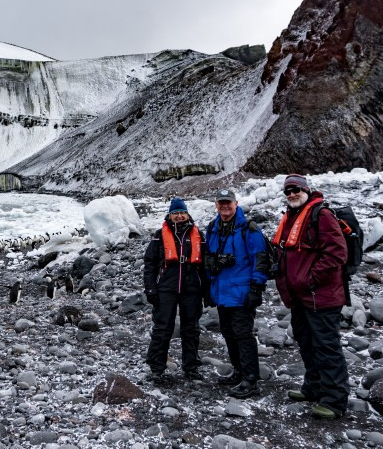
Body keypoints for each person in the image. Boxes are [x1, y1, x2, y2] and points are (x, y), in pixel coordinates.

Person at [272, 174, 349, 419]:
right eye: (287, 191)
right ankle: (313, 387)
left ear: (306, 189)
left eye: (295, 189)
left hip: (320, 296)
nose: (292, 194)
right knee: (306, 343)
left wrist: (311, 278)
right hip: (300, 297)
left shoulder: (321, 215)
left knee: (327, 346)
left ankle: (335, 401)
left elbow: (337, 252)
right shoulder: (291, 216)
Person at [204, 188, 269, 399]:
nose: (225, 206)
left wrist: (256, 288)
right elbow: (209, 258)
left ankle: (251, 379)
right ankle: (239, 371)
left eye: (228, 202)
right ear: (216, 204)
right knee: (228, 332)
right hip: (222, 292)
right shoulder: (213, 228)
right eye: (221, 202)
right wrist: (209, 285)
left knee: (243, 334)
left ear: (236, 203)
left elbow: (260, 259)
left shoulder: (248, 228)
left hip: (241, 292)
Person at [143, 197, 208, 382]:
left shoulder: (198, 235)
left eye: (182, 212)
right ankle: (157, 368)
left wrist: (206, 289)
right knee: (162, 328)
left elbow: (205, 265)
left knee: (191, 329)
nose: (179, 216)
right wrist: (150, 289)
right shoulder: (159, 235)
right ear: (170, 216)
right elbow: (150, 263)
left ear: (187, 214)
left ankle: (191, 367)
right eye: (175, 213)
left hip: (191, 287)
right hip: (166, 286)